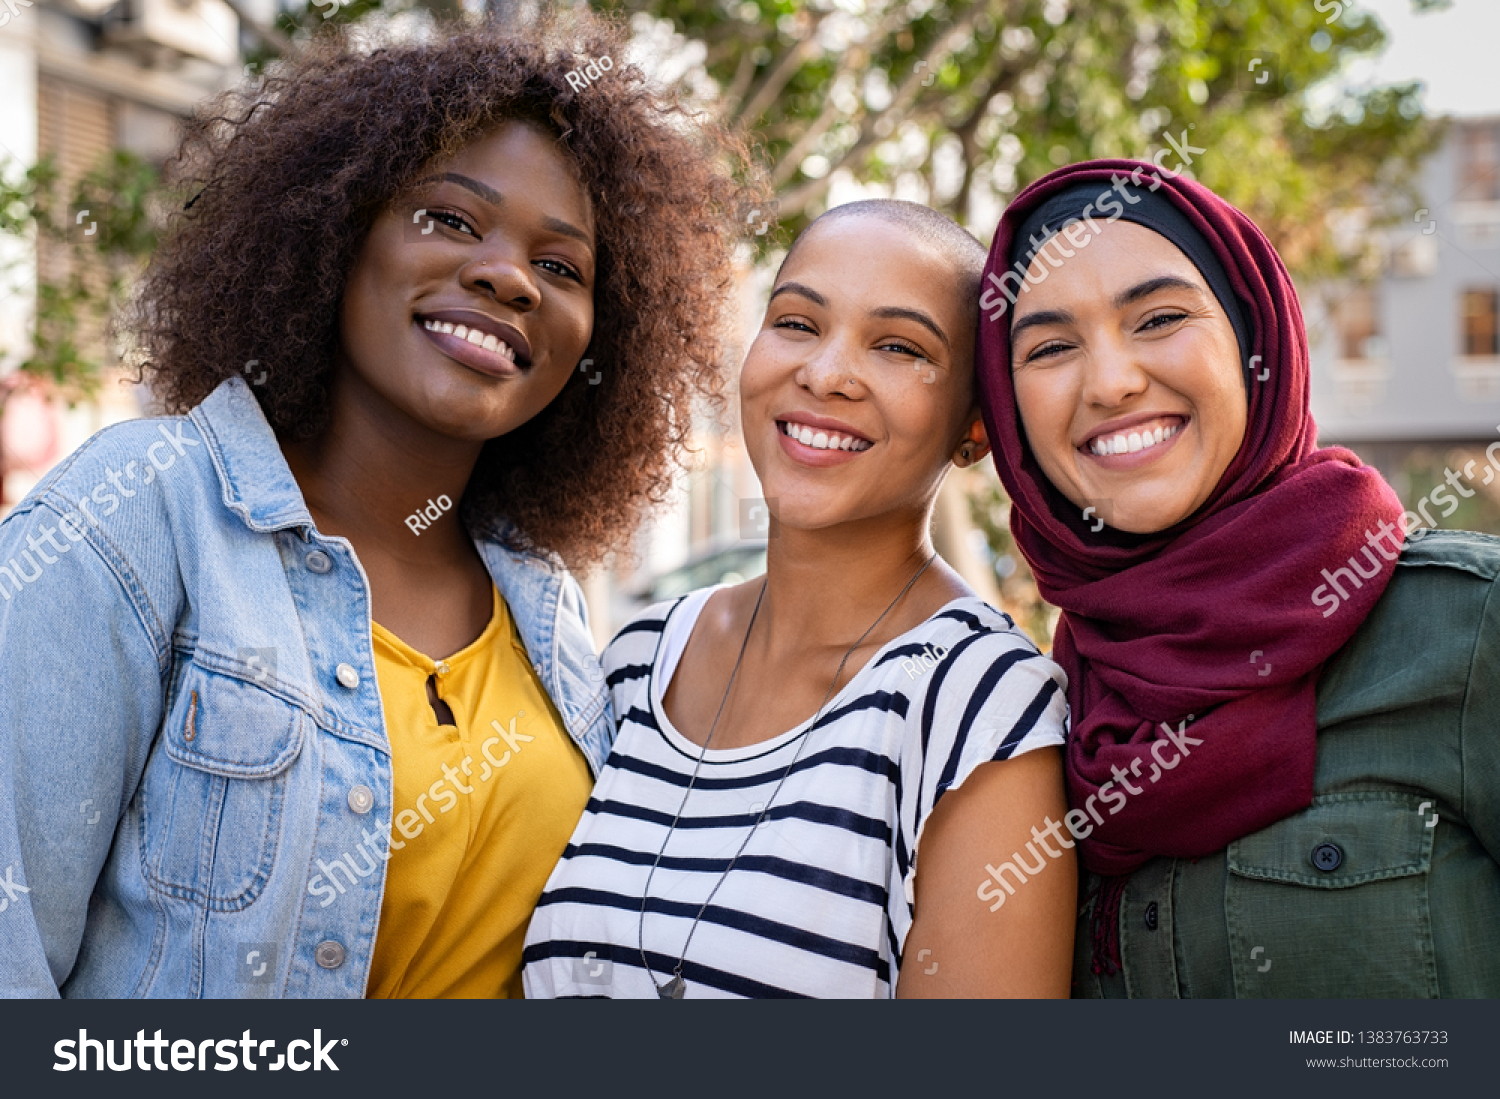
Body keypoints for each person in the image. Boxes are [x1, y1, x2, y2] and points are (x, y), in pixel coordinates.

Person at [0, 14, 756, 998]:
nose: (506, 276)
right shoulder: (139, 519)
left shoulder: (548, 608)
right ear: (337, 232)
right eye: (449, 218)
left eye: (561, 266)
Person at [522, 200, 1075, 999]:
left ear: (976, 428)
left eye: (898, 345)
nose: (824, 372)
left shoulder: (980, 704)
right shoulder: (641, 658)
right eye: (796, 322)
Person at [976, 158, 1500, 997]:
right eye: (1050, 346)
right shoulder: (1027, 718)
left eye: (1159, 317)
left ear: (1256, 337)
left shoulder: (1469, 630)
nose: (1110, 381)